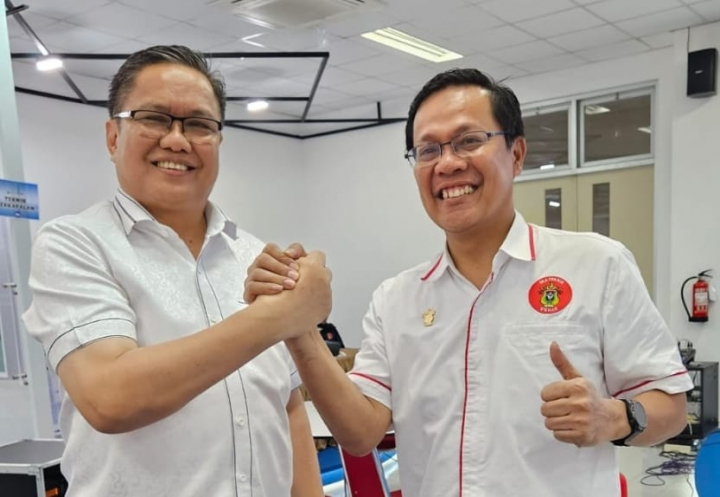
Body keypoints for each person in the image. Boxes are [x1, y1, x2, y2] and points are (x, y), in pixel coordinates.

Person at [244, 68, 693, 497]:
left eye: (469, 141)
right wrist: (296, 325)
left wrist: (614, 417)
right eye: (428, 150)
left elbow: (671, 407)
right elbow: (360, 433)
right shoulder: (396, 299)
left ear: (517, 154)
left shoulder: (596, 265)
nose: (447, 163)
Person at [22, 45, 331, 497]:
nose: (177, 140)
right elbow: (109, 397)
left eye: (199, 124)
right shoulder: (75, 244)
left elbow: (285, 405)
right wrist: (281, 316)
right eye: (154, 118)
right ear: (113, 137)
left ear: (218, 140)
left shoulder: (252, 255)